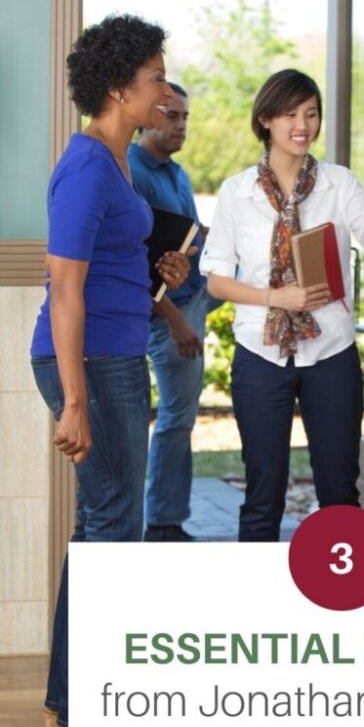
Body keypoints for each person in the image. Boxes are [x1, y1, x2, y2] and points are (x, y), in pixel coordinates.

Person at [30, 14, 191, 727]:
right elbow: (64, 289)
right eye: (155, 77)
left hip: (117, 352)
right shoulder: (89, 165)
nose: (164, 87)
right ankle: (79, 704)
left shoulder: (119, 163)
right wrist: (75, 400)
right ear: (119, 88)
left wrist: (161, 278)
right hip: (91, 363)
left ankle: (69, 704)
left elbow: (112, 265)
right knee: (116, 529)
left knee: (105, 526)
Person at [200, 69, 364, 541]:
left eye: (312, 113)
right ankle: (256, 610)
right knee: (263, 494)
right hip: (260, 357)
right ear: (265, 120)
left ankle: (341, 603)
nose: (303, 125)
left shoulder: (339, 183)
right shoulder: (235, 192)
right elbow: (217, 281)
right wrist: (275, 297)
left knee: (339, 492)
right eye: (290, 114)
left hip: (331, 355)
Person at [129, 82, 220, 542]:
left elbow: (186, 236)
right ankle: (163, 524)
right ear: (149, 116)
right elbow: (141, 265)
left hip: (198, 295)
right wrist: (178, 323)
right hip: (167, 316)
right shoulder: (133, 172)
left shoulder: (176, 172)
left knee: (182, 415)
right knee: (176, 418)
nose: (180, 124)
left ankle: (169, 517)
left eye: (185, 116)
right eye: (171, 115)